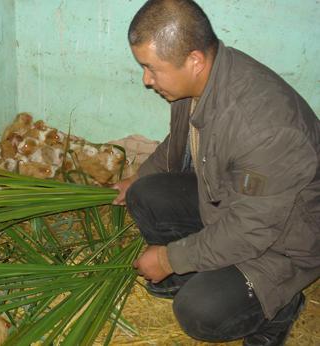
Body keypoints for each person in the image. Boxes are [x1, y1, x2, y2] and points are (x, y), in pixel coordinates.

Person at [113, 0, 320, 345]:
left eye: (151, 68)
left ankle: (280, 305)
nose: (146, 80)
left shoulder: (265, 129)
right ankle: (199, 270)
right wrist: (139, 175)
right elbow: (176, 142)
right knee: (145, 193)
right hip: (233, 205)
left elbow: (250, 232)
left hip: (285, 240)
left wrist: (169, 258)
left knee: (200, 312)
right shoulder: (199, 82)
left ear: (193, 60)